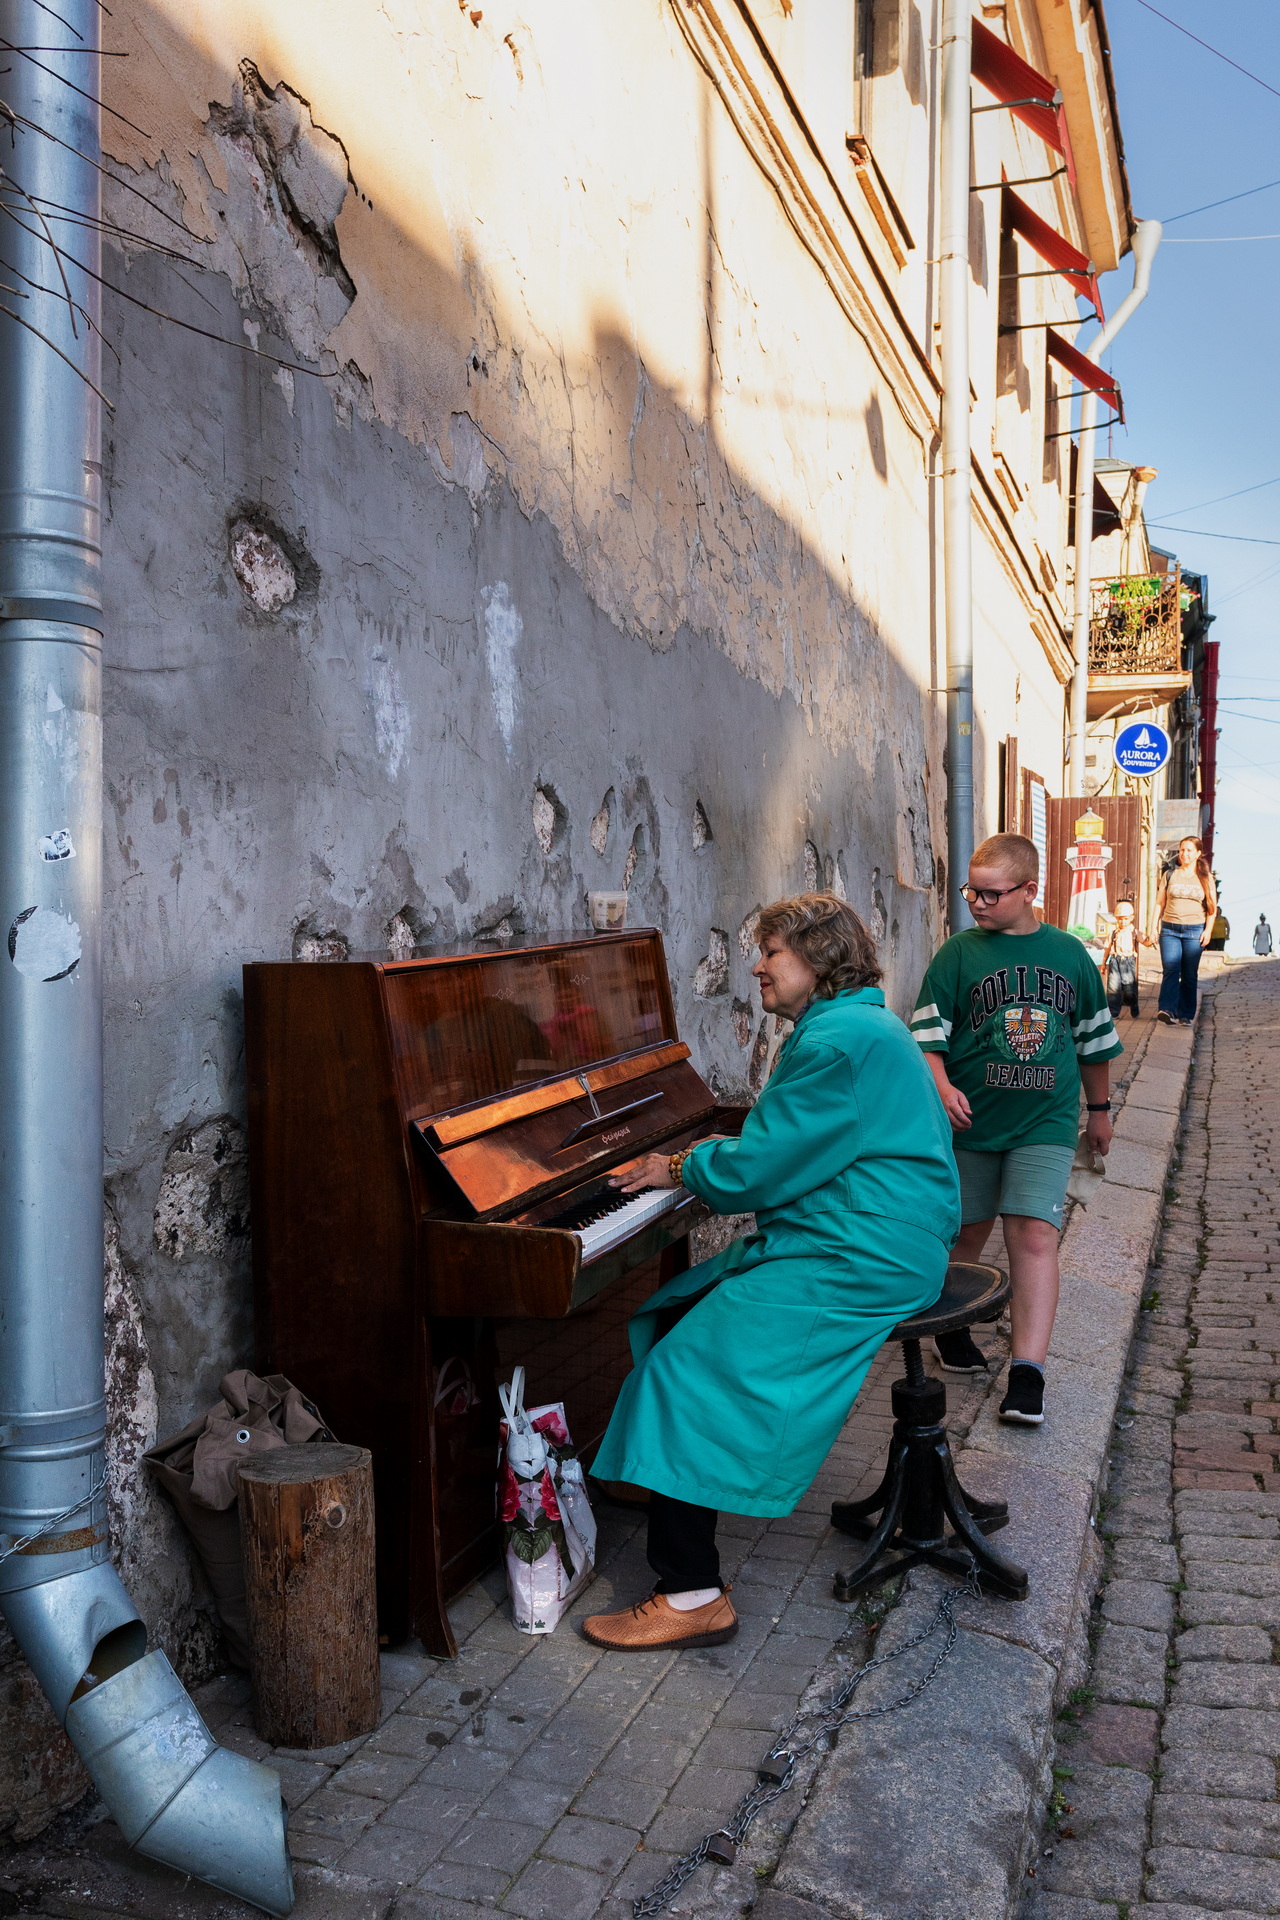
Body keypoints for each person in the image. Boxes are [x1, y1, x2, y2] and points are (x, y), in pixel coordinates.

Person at [581, 893, 961, 1652]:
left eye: (773, 952)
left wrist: (678, 1164)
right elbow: (790, 1147)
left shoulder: (835, 1043)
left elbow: (761, 1167)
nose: (755, 965)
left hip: (861, 1254)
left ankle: (691, 1593)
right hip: (874, 1236)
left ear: (819, 962)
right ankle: (660, 1476)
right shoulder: (854, 1024)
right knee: (683, 1320)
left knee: (684, 1369)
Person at [909, 833, 1123, 1427]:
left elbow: (1093, 1040)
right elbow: (927, 1038)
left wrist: (1099, 1110)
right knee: (965, 1234)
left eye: (990, 893)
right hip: (970, 1123)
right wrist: (943, 1086)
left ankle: (1027, 1372)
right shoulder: (958, 955)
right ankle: (950, 1330)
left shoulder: (1070, 955)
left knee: (1034, 1235)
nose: (976, 903)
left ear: (1030, 890)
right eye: (970, 891)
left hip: (1044, 1123)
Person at [1155, 836, 1217, 1026]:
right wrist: (1152, 928)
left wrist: (1208, 931)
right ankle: (1167, 1010)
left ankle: (1186, 1014)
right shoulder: (1169, 875)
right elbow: (1159, 903)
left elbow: (1212, 909)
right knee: (1171, 970)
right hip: (1169, 930)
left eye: (1189, 850)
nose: (1184, 854)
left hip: (1194, 932)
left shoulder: (1206, 878)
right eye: (1182, 850)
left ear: (1198, 853)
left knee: (1189, 974)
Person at [1102, 900, 1152, 1019]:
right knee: (1113, 987)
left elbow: (1146, 942)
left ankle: (1133, 1004)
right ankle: (1113, 1012)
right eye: (1119, 919)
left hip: (1128, 962)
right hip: (1115, 961)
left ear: (1131, 918)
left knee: (1129, 987)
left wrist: (1152, 939)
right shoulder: (1113, 933)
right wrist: (1104, 963)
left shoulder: (1134, 933)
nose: (1122, 922)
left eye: (1125, 919)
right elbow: (1107, 949)